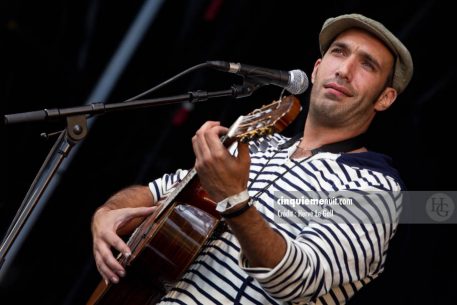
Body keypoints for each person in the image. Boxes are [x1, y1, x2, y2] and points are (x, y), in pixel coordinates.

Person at [91, 13, 413, 305]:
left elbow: (297, 282)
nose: (344, 70)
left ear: (385, 98)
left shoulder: (375, 188)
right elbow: (156, 193)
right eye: (339, 52)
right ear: (316, 70)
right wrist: (106, 215)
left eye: (367, 64)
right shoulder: (256, 142)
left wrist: (234, 198)